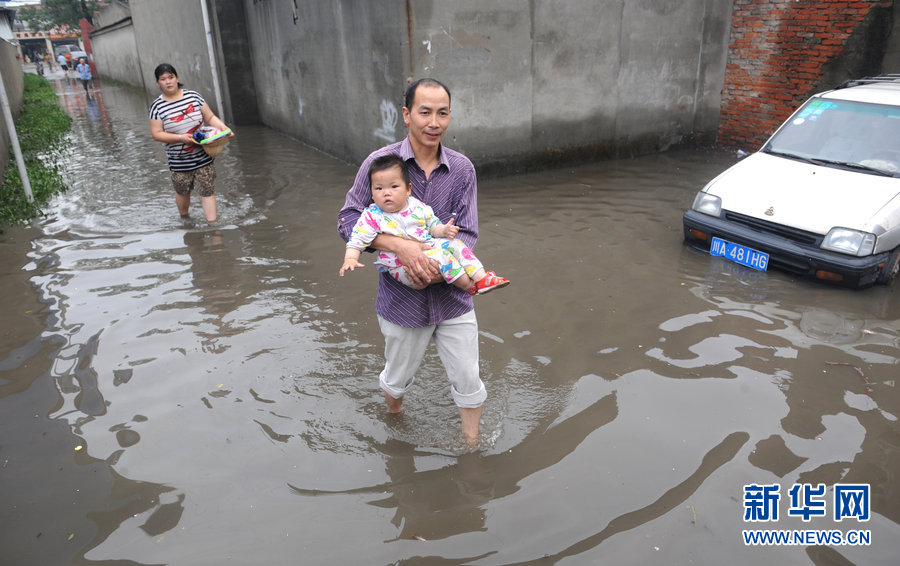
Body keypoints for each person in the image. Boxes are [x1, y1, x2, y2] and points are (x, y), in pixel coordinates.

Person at [337, 78, 490, 445]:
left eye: (442, 113)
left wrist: (440, 272)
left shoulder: (463, 169)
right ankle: (394, 418)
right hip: (401, 301)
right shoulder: (379, 164)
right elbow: (348, 221)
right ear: (407, 115)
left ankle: (471, 447)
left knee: (469, 377)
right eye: (424, 112)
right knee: (398, 378)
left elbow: (466, 232)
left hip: (453, 296)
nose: (433, 122)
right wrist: (400, 247)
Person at [340, 153, 509, 296]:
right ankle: (469, 286)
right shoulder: (372, 215)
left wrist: (444, 230)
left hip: (427, 247)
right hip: (399, 265)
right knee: (443, 256)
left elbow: (433, 226)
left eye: (394, 186)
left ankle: (482, 277)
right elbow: (357, 239)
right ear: (371, 192)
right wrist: (350, 258)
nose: (387, 193)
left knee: (456, 244)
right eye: (379, 189)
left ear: (408, 189)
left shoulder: (417, 206)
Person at [148, 63, 233, 222]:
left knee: (208, 191)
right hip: (178, 161)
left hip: (203, 156)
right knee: (182, 192)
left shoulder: (193, 97)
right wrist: (181, 138)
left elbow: (209, 117)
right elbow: (156, 134)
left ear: (177, 78)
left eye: (171, 77)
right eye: (163, 79)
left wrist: (223, 129)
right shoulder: (157, 106)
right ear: (158, 82)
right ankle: (185, 220)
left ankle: (213, 228)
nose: (168, 82)